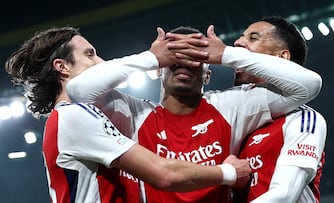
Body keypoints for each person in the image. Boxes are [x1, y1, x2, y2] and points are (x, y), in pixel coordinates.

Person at [66, 25, 322, 203]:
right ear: (159, 70)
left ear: (207, 74)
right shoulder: (132, 112)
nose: (184, 62)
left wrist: (225, 54)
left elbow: (308, 86)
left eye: (194, 56)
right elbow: (79, 90)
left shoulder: (232, 106)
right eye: (175, 56)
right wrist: (150, 58)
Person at [4, 26, 253, 203]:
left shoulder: (84, 115)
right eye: (90, 54)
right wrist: (229, 173)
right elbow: (164, 174)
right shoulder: (73, 117)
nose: (101, 61)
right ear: (62, 67)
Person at [231, 16, 327, 203]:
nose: (237, 43)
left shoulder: (303, 120)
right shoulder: (230, 116)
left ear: (281, 57)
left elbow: (284, 195)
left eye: (253, 38)